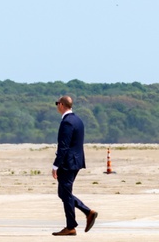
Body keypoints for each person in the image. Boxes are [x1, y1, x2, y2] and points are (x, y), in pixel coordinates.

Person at [51, 95, 98, 236]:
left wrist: (55, 165)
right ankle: (80, 218)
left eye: (57, 103)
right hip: (76, 161)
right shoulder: (78, 120)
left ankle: (80, 219)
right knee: (64, 193)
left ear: (61, 105)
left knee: (65, 193)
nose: (57, 106)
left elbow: (63, 146)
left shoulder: (67, 122)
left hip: (67, 163)